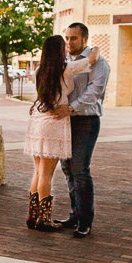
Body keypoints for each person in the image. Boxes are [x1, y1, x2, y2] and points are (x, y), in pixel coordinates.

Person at [24, 35, 98, 232]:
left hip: (37, 122)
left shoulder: (39, 71)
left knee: (38, 172)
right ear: (58, 50)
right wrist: (96, 46)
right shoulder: (65, 70)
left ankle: (33, 215)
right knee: (46, 174)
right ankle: (44, 220)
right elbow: (92, 58)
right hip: (54, 123)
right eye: (64, 44)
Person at [55, 22, 111, 238]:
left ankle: (85, 222)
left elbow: (94, 92)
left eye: (74, 39)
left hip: (86, 121)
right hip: (65, 121)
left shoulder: (99, 63)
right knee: (67, 168)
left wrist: (71, 107)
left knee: (80, 170)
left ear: (85, 39)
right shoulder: (65, 60)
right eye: (67, 38)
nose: (69, 42)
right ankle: (75, 214)